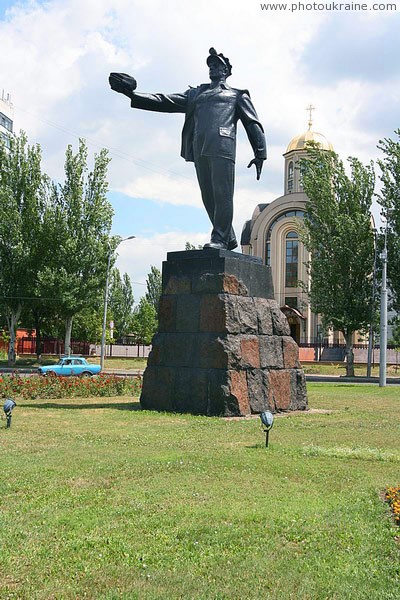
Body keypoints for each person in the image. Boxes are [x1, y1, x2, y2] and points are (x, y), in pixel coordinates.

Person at [109, 48, 267, 250]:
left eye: (217, 65)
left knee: (222, 194)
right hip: (199, 146)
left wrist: (260, 152)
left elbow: (252, 123)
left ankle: (219, 238)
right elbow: (164, 101)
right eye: (210, 65)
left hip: (223, 146)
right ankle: (228, 237)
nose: (213, 68)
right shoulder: (196, 94)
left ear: (226, 70)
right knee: (208, 196)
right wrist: (132, 94)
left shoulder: (236, 95)